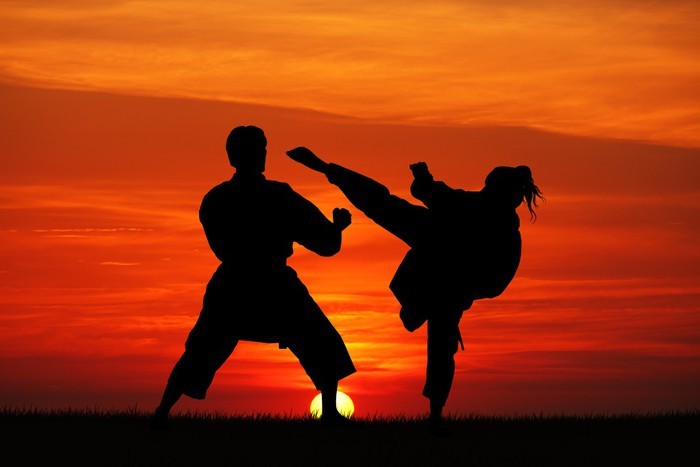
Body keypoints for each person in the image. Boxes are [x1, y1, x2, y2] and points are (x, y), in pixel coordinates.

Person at [286, 147, 543, 435]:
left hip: (446, 279)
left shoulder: (498, 227)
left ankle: (434, 414)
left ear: (499, 191)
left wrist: (463, 290)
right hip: (432, 244)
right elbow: (426, 194)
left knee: (441, 347)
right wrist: (421, 176)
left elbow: (495, 280)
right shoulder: (477, 209)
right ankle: (433, 407)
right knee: (384, 205)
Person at [151, 126, 356, 430]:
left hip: (233, 284)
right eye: (258, 149)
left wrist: (332, 231)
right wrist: (337, 227)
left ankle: (162, 413)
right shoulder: (278, 196)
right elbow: (324, 242)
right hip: (272, 284)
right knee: (319, 341)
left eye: (261, 148)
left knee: (203, 349)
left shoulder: (216, 199)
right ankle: (161, 413)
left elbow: (220, 246)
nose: (261, 155)